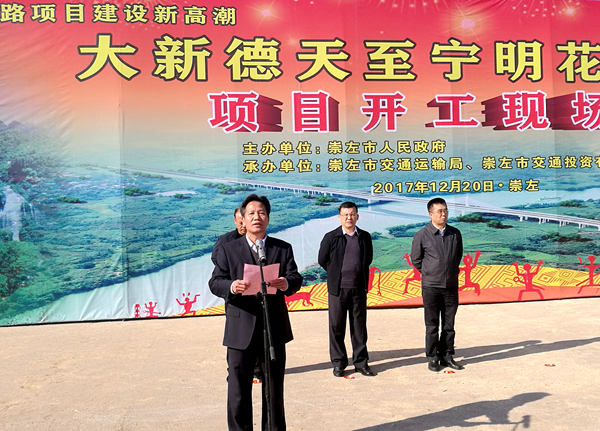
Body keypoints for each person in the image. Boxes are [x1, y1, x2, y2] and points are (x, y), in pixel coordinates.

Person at [209, 194, 302, 431]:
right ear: (243, 219)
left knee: (273, 390)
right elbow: (215, 282)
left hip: (273, 328)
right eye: (251, 213)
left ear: (268, 218)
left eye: (261, 212)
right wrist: (232, 286)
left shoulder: (282, 248)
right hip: (240, 328)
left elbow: (295, 277)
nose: (256, 217)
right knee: (238, 390)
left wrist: (286, 283)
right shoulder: (229, 250)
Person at [318, 201, 374, 378]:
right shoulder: (331, 237)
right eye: (345, 215)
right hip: (338, 290)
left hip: (358, 288)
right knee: (336, 327)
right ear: (339, 217)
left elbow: (368, 259)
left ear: (357, 216)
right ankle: (339, 363)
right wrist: (336, 273)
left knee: (359, 327)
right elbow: (322, 259)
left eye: (352, 214)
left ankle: (361, 362)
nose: (349, 218)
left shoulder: (364, 237)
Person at [411, 197, 464, 372]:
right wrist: (430, 273)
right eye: (439, 211)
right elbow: (416, 260)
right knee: (432, 325)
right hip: (431, 287)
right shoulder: (421, 235)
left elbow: (457, 256)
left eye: (446, 210)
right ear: (430, 214)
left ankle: (447, 355)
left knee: (449, 325)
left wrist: (449, 272)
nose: (443, 214)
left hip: (451, 286)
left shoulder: (455, 233)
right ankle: (432, 357)